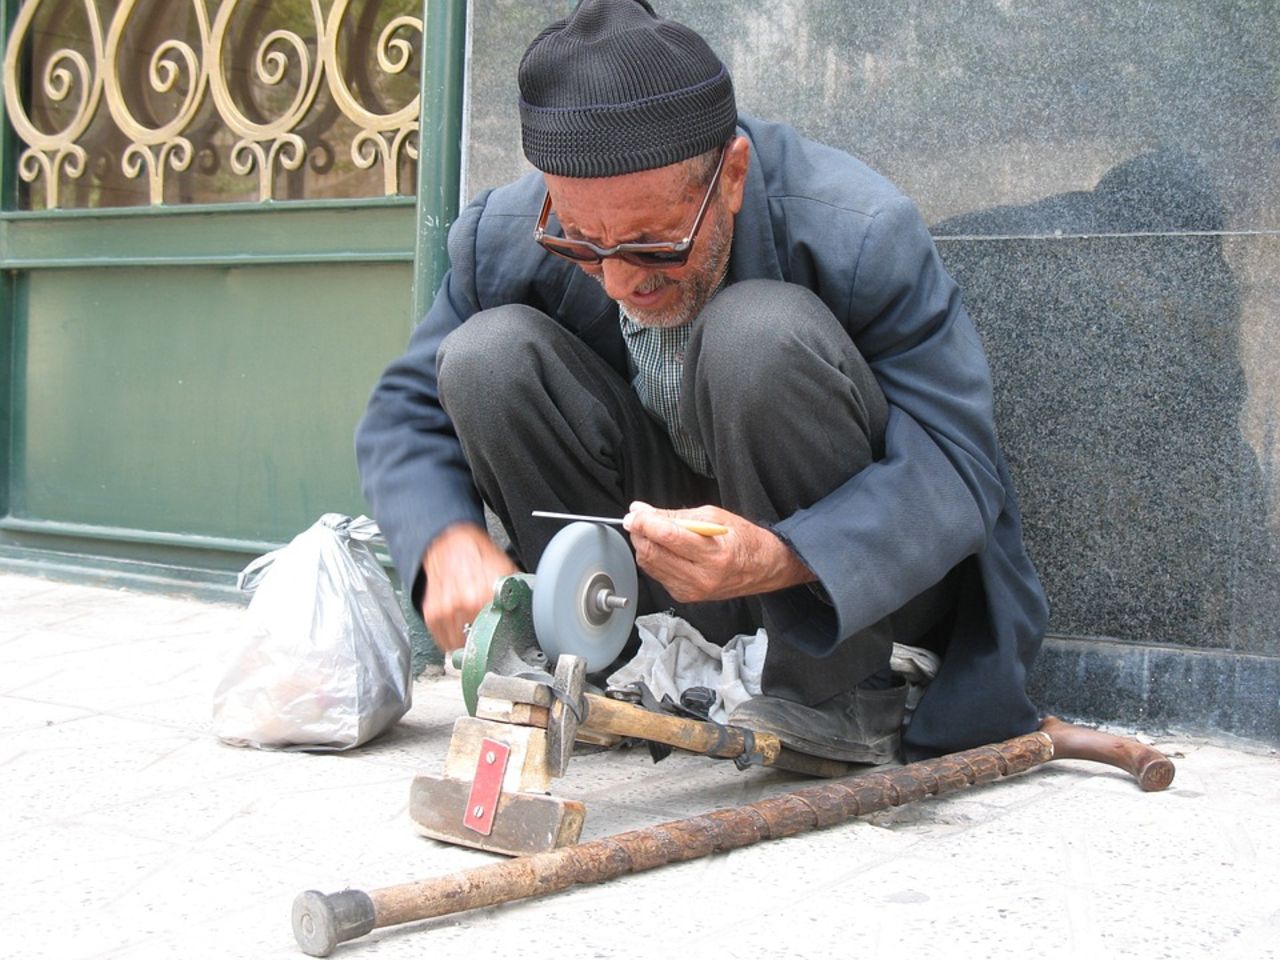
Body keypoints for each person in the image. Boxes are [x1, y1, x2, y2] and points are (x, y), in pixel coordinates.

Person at [356, 0, 1048, 763]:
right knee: (485, 357)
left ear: (733, 176)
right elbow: (404, 412)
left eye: (653, 245)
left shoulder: (857, 231)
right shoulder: (508, 232)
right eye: (582, 244)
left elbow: (958, 466)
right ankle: (608, 668)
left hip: (844, 599)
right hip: (653, 586)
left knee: (756, 335)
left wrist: (787, 556)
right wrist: (447, 540)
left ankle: (837, 696)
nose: (618, 281)